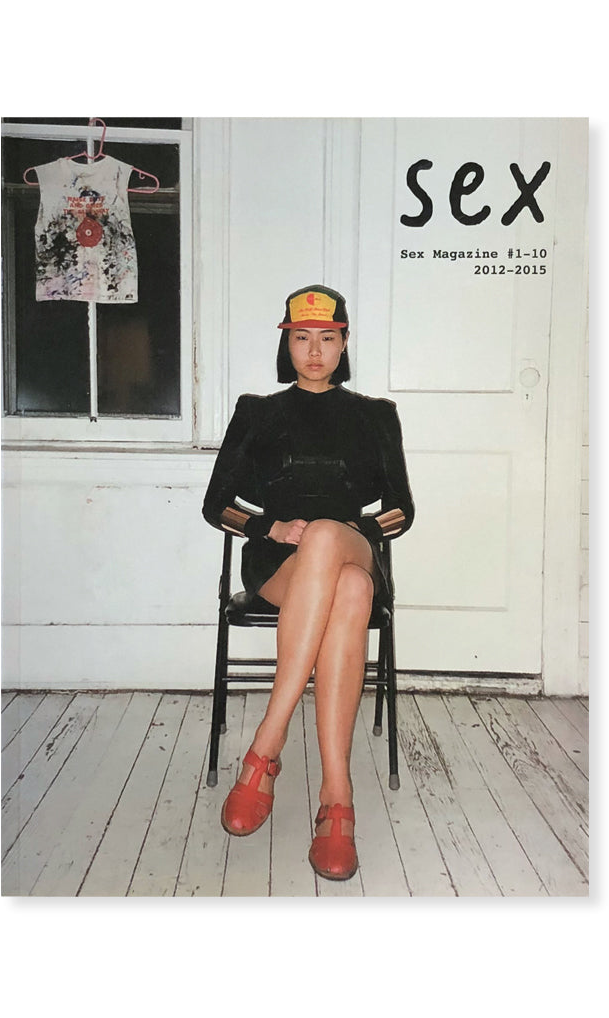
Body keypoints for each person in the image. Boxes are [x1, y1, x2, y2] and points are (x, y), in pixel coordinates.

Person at [202, 284, 414, 881]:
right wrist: (270, 527)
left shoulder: (375, 415)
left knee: (328, 540)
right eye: (302, 337)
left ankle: (265, 748)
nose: (315, 351)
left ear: (344, 344)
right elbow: (217, 505)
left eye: (327, 338)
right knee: (351, 590)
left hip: (351, 544)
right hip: (279, 564)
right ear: (286, 344)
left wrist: (347, 529)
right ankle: (337, 795)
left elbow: (400, 510)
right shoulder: (257, 413)